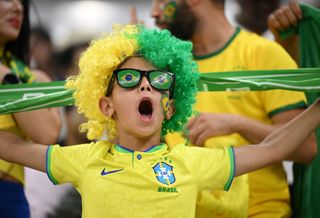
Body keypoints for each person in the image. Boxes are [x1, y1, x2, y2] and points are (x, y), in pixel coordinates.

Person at [0, 24, 320, 218]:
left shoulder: (191, 161)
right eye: (129, 78)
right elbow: (11, 147)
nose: (145, 85)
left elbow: (275, 148)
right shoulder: (86, 159)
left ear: (168, 109)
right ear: (106, 105)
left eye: (158, 80)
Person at [149, 0, 317, 217]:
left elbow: (306, 148)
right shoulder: (162, 71)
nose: (155, 12)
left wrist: (236, 124)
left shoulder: (262, 54)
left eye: (161, 2)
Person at [0, 0, 61, 217]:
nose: (18, 7)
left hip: (9, 198)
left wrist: (5, 77)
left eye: (22, 1)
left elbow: (47, 134)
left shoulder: (34, 79)